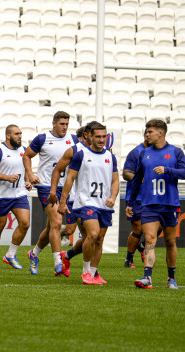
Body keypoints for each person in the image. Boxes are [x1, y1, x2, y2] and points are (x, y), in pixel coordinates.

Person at [127, 119, 185, 290]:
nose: (146, 134)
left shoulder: (176, 152)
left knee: (170, 241)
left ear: (160, 133)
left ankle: (171, 279)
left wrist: (167, 170)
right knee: (150, 240)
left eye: (150, 131)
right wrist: (131, 202)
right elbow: (136, 181)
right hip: (148, 205)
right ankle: (147, 277)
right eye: (146, 132)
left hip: (169, 204)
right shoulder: (143, 153)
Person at [58, 123, 119, 285]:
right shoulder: (81, 154)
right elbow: (69, 178)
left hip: (104, 204)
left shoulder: (110, 156)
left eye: (103, 136)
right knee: (92, 234)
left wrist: (113, 196)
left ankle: (93, 273)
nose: (101, 139)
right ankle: (85, 272)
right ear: (90, 136)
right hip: (85, 203)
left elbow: (115, 180)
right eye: (97, 136)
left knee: (99, 239)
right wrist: (63, 202)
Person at [23, 111, 77, 276]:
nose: (64, 127)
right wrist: (31, 174)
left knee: (62, 228)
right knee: (56, 222)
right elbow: (26, 155)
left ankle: (34, 254)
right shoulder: (42, 138)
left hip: (66, 188)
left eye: (67, 124)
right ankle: (58, 262)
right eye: (62, 124)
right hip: (47, 186)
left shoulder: (73, 140)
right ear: (54, 123)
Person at [48, 123, 95, 277]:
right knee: (79, 233)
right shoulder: (75, 151)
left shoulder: (102, 153)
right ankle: (89, 272)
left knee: (90, 237)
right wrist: (59, 197)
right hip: (76, 200)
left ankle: (67, 256)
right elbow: (59, 171)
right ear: (86, 136)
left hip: (94, 201)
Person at [0, 124, 31, 270]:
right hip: (2, 195)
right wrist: (6, 178)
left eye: (21, 134)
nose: (19, 137)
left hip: (19, 194)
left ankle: (10, 255)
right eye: (16, 134)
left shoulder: (23, 151)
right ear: (8, 135)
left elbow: (25, 171)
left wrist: (28, 181)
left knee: (25, 223)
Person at [122, 133, 149, 269]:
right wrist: (139, 179)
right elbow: (126, 173)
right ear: (145, 135)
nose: (150, 135)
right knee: (138, 228)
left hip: (154, 196)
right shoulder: (136, 152)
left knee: (161, 225)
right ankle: (129, 259)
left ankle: (142, 245)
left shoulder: (160, 153)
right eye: (148, 132)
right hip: (137, 197)